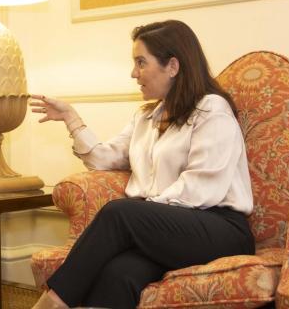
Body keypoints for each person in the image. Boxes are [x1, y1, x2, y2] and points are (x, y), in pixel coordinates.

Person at [29, 20, 254, 309]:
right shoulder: (146, 117)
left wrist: (142, 216)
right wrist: (72, 119)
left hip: (219, 229)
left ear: (172, 66)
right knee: (119, 274)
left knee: (119, 213)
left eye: (141, 62)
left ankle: (51, 303)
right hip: (166, 229)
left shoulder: (211, 111)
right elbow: (103, 158)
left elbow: (201, 188)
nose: (133, 73)